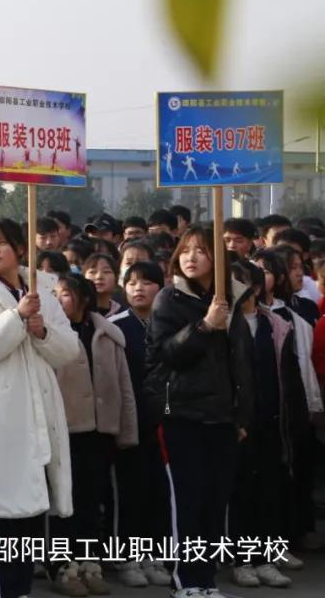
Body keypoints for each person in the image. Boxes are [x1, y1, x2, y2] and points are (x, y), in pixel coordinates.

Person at [0, 218, 78, 598]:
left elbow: (69, 351)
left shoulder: (41, 292)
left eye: (2, 243)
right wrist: (17, 317)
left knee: (31, 516)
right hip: (2, 419)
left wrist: (41, 330)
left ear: (21, 250)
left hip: (38, 416)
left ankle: (20, 591)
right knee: (6, 515)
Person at [144, 226, 253, 598]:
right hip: (183, 415)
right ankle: (187, 582)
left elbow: (241, 364)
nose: (191, 257)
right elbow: (165, 355)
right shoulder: (168, 300)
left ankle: (207, 582)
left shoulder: (233, 300)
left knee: (214, 502)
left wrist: (241, 417)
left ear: (217, 259)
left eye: (202, 250)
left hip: (223, 417)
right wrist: (204, 326)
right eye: (186, 250)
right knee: (188, 502)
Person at [49, 273, 137, 597]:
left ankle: (88, 562)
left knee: (91, 501)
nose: (58, 300)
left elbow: (124, 385)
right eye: (55, 294)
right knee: (64, 503)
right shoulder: (51, 335)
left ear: (83, 298)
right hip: (65, 429)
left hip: (99, 431)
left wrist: (126, 429)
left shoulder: (106, 333)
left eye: (65, 294)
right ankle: (61, 566)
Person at [226, 260, 307, 589]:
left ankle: (266, 557)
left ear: (256, 288)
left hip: (272, 421)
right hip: (238, 423)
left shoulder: (275, 324)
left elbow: (289, 375)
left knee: (269, 492)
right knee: (241, 493)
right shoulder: (225, 325)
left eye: (240, 281)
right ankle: (242, 560)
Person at [109, 262, 171, 588]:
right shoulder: (115, 327)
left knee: (158, 492)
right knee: (129, 493)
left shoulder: (169, 325)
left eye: (147, 282)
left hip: (165, 421)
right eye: (132, 282)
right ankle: (126, 558)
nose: (139, 288)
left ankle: (154, 555)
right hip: (129, 423)